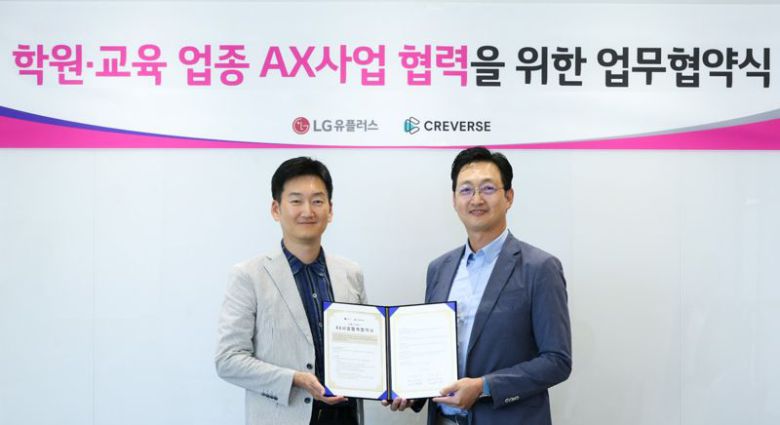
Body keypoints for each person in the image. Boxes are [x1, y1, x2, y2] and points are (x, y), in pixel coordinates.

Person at [386, 146, 572, 425]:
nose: (476, 199)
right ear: (454, 200)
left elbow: (557, 360)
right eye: (466, 190)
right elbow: (430, 353)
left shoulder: (540, 268)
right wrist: (411, 392)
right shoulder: (439, 269)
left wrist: (484, 387)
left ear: (509, 197)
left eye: (487, 188)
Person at [215, 157, 367, 425]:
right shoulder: (249, 276)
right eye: (296, 201)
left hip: (345, 417)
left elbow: (367, 347)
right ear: (276, 209)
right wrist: (294, 379)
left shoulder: (350, 273)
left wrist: (392, 384)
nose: (307, 211)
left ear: (330, 210)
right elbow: (228, 360)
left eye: (317, 201)